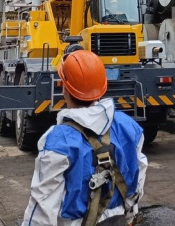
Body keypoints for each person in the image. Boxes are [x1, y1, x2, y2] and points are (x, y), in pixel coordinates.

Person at [22, 50, 147, 226]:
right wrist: (129, 216)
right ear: (102, 87)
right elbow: (138, 175)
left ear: (64, 88)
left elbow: (42, 206)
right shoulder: (129, 126)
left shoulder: (58, 140)